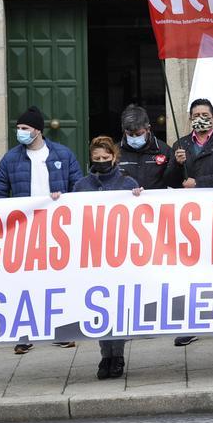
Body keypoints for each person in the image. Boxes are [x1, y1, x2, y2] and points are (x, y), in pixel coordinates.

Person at [0, 105, 83, 353]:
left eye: (24, 128)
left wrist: (63, 201)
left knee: (58, 279)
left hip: (57, 229)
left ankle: (61, 331)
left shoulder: (63, 155)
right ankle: (24, 334)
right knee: (24, 283)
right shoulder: (11, 159)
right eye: (18, 128)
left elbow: (78, 188)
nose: (19, 132)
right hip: (25, 230)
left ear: (38, 131)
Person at [165, 98, 213, 346]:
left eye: (205, 114)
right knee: (192, 269)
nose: (201, 117)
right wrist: (177, 165)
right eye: (196, 113)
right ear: (189, 118)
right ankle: (193, 322)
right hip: (190, 219)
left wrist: (199, 182)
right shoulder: (180, 145)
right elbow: (168, 179)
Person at [74, 136, 142, 378]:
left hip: (121, 255)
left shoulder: (128, 183)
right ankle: (105, 356)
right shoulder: (81, 186)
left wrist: (138, 197)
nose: (102, 162)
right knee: (99, 307)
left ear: (114, 157)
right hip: (94, 256)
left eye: (105, 158)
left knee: (118, 306)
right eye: (97, 159)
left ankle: (119, 355)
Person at [117, 104, 174, 190]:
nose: (134, 137)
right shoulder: (115, 152)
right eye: (130, 134)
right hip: (125, 202)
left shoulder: (163, 150)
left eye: (139, 134)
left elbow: (174, 181)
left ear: (148, 129)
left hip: (155, 202)